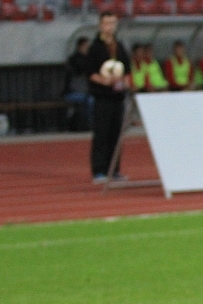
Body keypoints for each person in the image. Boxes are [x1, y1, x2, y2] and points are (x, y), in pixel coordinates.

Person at [85, 11, 131, 183]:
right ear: (100, 25)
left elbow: (127, 70)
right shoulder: (95, 48)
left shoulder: (119, 46)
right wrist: (105, 81)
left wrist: (124, 82)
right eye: (107, 23)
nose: (110, 27)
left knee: (116, 135)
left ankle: (114, 170)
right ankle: (99, 170)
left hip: (118, 97)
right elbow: (90, 73)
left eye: (113, 23)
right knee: (102, 134)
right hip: (102, 97)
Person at [64, 36, 93, 131]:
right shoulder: (74, 60)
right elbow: (78, 73)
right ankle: (87, 125)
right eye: (86, 46)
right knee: (89, 101)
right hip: (74, 92)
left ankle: (92, 124)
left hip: (87, 92)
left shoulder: (89, 59)